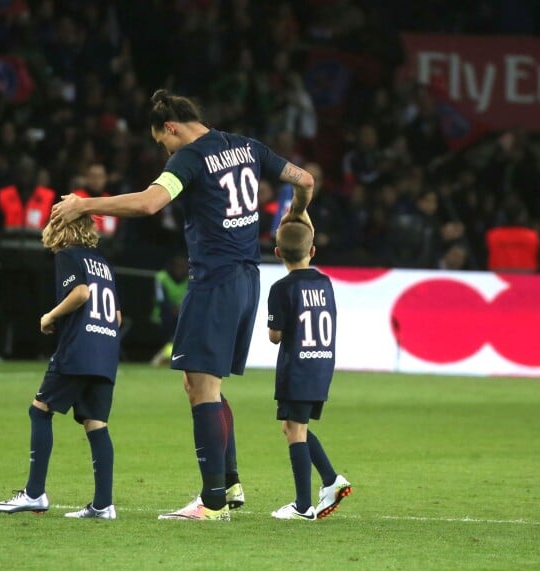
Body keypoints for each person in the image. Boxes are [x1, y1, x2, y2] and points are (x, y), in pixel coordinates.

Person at [50, 89, 314, 521]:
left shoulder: (189, 158)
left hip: (213, 282)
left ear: (170, 127)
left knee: (202, 389)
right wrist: (297, 216)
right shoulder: (247, 146)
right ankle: (228, 484)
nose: (164, 150)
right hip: (248, 279)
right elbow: (305, 180)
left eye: (161, 142)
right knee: (203, 385)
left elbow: (150, 202)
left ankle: (211, 503)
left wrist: (85, 204)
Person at [0, 215, 122, 519]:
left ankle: (34, 494)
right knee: (96, 424)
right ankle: (103, 505)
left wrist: (50, 316)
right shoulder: (103, 263)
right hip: (106, 351)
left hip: (79, 350)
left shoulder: (68, 255)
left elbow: (80, 294)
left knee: (40, 410)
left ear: (62, 227)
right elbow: (116, 316)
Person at [267, 221, 352, 520]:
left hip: (297, 366)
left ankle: (303, 506)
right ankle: (330, 480)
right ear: (312, 251)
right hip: (322, 363)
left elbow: (275, 335)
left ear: (277, 252)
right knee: (293, 427)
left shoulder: (282, 288)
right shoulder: (325, 283)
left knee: (295, 431)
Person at [149, 254, 189, 367]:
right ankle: (163, 356)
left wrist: (181, 308)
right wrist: (173, 309)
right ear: (172, 266)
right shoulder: (161, 277)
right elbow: (161, 299)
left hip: (182, 313)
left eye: (184, 266)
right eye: (178, 266)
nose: (181, 269)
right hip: (163, 315)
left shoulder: (189, 278)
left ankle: (170, 355)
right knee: (173, 330)